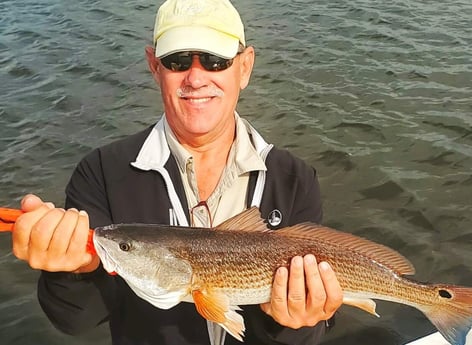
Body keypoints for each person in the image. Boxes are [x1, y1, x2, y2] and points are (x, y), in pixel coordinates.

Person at [11, 0, 343, 344]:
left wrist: (296, 323)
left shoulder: (296, 180)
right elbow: (76, 321)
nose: (196, 77)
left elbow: (313, 334)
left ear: (244, 68)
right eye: (177, 61)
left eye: (216, 61)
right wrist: (72, 272)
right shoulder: (101, 173)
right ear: (154, 67)